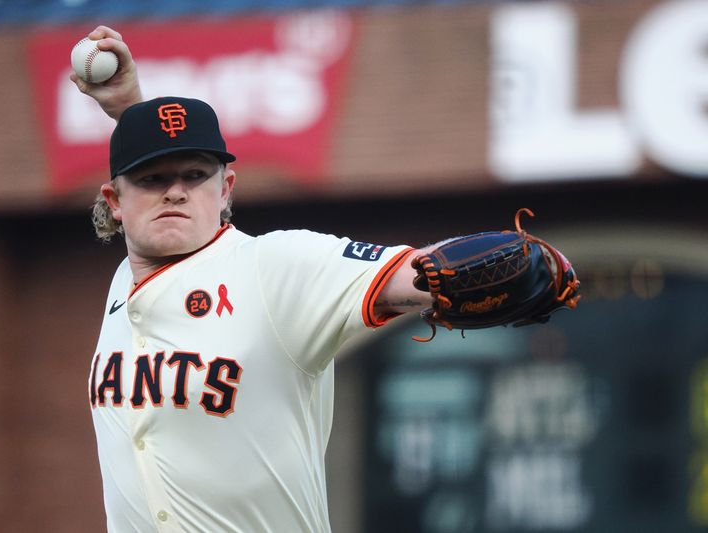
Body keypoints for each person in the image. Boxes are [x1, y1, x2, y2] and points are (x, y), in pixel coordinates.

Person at [72, 26, 576, 533]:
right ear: (114, 203)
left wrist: (439, 277)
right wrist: (132, 109)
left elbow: (410, 273)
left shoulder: (274, 268)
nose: (176, 192)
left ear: (226, 190)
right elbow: (156, 168)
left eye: (196, 175)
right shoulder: (126, 281)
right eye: (153, 179)